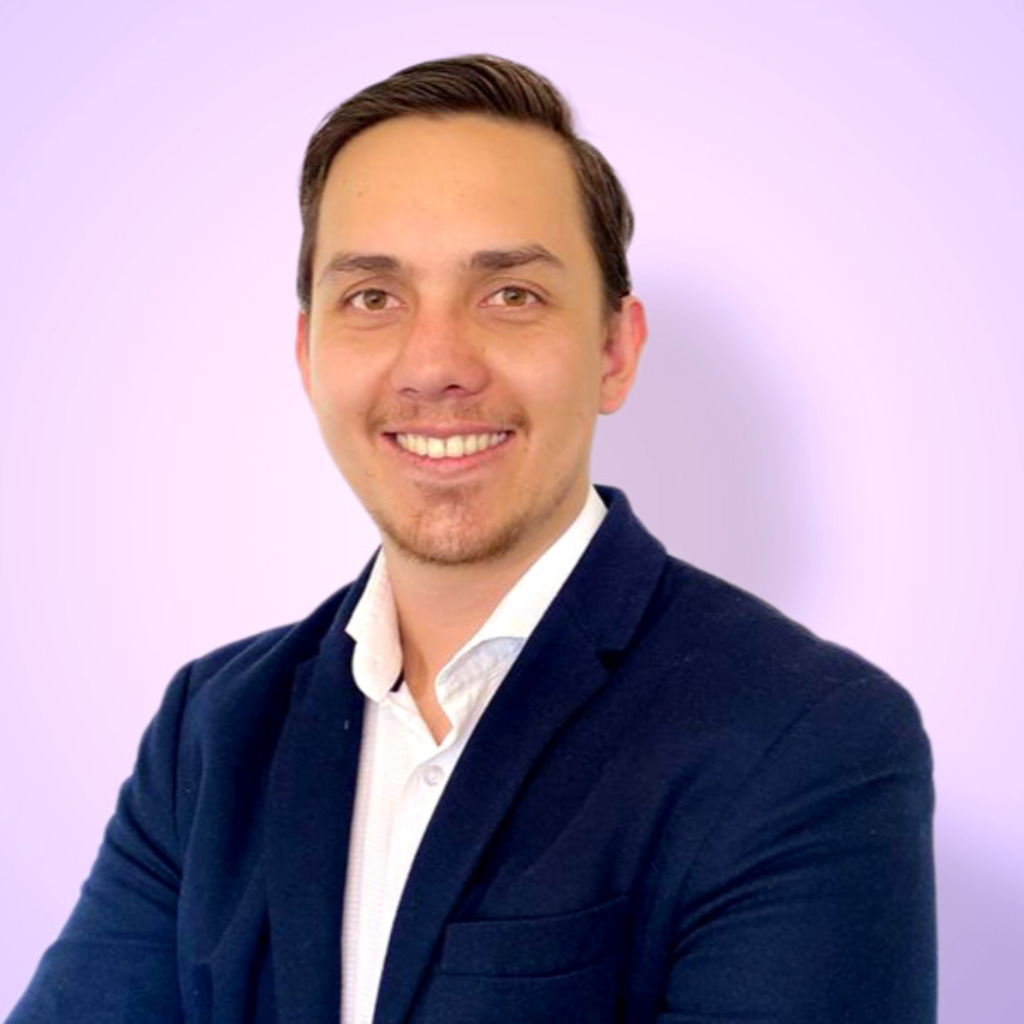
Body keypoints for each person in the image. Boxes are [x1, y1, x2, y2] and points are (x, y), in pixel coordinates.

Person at [7, 55, 936, 1024]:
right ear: (308, 355)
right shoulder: (212, 731)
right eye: (373, 297)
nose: (436, 364)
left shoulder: (809, 738)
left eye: (510, 294)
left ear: (614, 351)